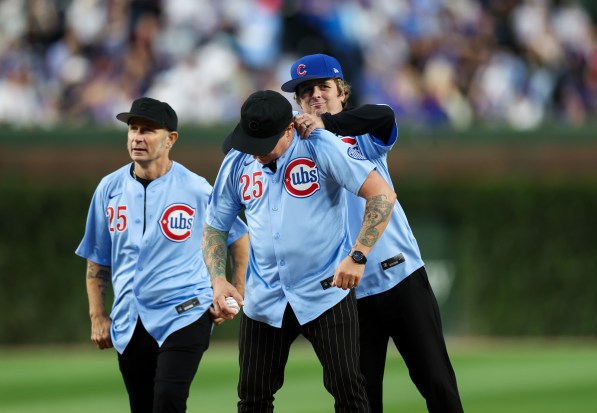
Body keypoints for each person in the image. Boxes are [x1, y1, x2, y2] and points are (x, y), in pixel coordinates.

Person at [281, 54, 464, 413]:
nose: (315, 95)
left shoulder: (358, 137)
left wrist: (327, 124)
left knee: (437, 384)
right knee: (360, 401)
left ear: (342, 92)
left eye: (323, 87)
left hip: (400, 276)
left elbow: (385, 115)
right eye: (306, 91)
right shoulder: (294, 151)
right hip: (350, 294)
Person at [202, 89, 398, 413]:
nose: (257, 153)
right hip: (265, 297)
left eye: (265, 143)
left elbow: (382, 195)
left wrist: (358, 255)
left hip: (325, 291)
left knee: (349, 392)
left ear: (289, 128)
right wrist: (218, 280)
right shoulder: (238, 160)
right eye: (252, 142)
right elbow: (214, 226)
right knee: (252, 397)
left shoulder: (321, 147)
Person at [75, 97, 249, 413]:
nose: (137, 137)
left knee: (168, 400)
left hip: (186, 311)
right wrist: (98, 315)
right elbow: (97, 258)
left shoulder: (196, 188)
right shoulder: (109, 188)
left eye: (148, 130)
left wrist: (234, 288)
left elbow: (238, 237)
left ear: (171, 139)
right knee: (142, 406)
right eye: (133, 128)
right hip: (129, 318)